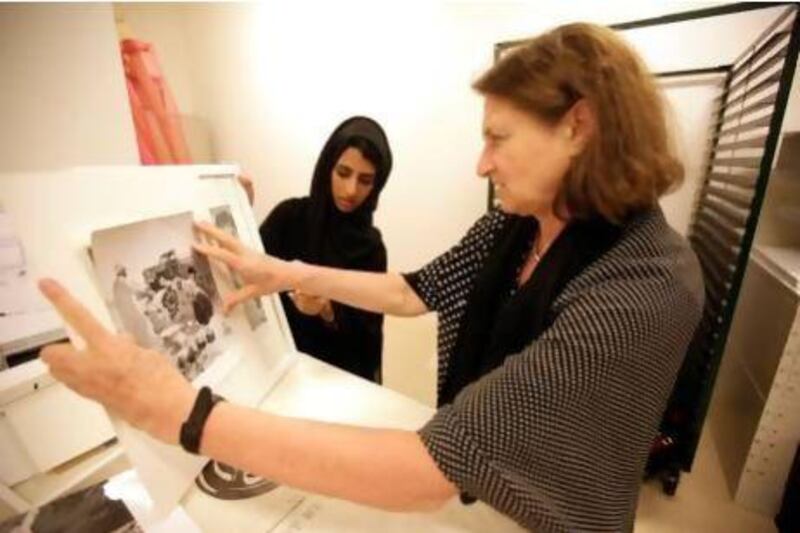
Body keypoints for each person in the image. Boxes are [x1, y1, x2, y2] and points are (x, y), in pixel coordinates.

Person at [38, 23, 704, 532]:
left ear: (578, 128)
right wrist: (281, 269)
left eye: (498, 136)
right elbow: (414, 290)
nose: (481, 162)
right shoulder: (522, 224)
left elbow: (435, 464)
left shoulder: (644, 287)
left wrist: (183, 414)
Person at [258, 117, 392, 382]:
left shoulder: (372, 249)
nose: (351, 190)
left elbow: (367, 342)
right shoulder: (289, 218)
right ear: (327, 168)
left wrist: (328, 311)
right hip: (275, 371)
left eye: (365, 180)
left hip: (336, 382)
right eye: (343, 173)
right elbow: (248, 268)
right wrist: (239, 204)